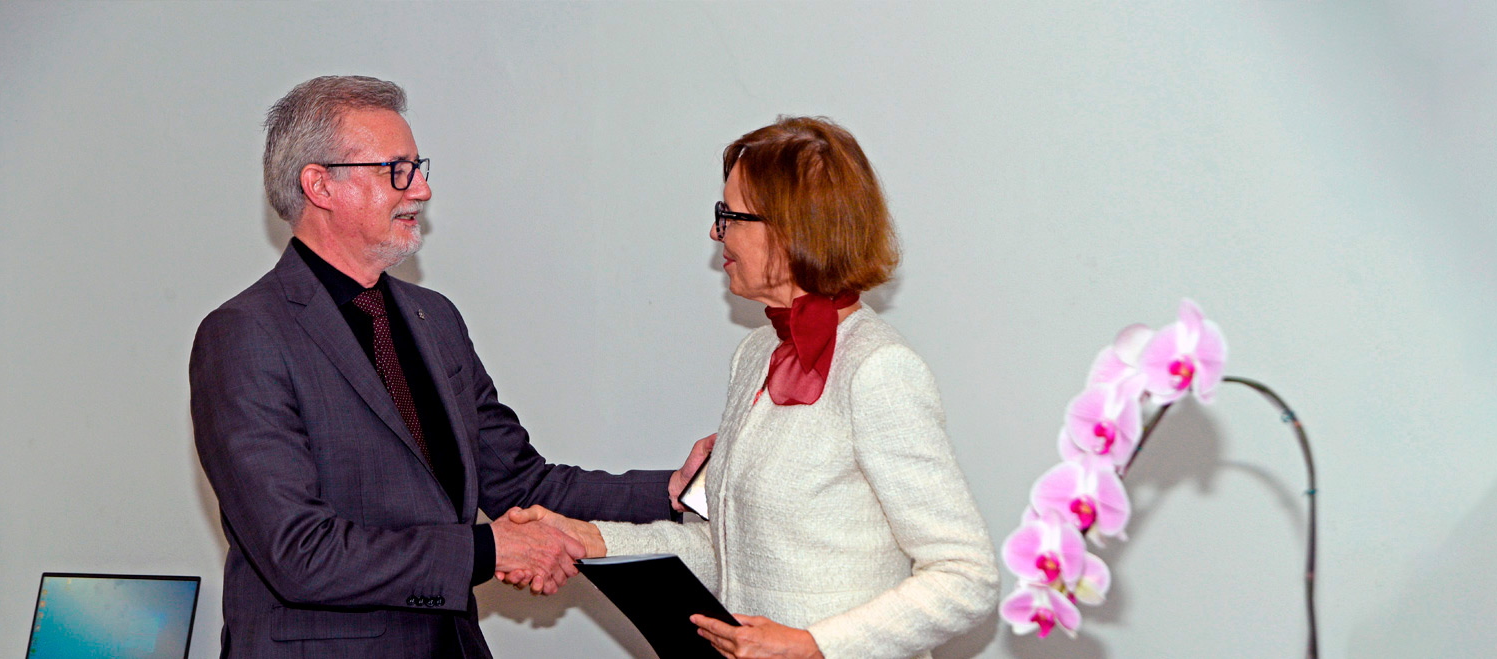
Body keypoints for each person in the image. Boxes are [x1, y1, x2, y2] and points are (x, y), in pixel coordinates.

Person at [189, 75, 710, 659]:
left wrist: (676, 492)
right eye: (398, 171)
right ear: (320, 186)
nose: (423, 190)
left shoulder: (433, 318)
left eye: (419, 167)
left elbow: (521, 482)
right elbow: (300, 554)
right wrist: (488, 552)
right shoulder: (245, 335)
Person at [509, 117, 1000, 659]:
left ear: (791, 230)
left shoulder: (879, 368)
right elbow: (727, 548)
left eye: (729, 215)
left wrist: (814, 645)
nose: (716, 233)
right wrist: (588, 539)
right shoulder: (754, 353)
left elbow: (966, 576)